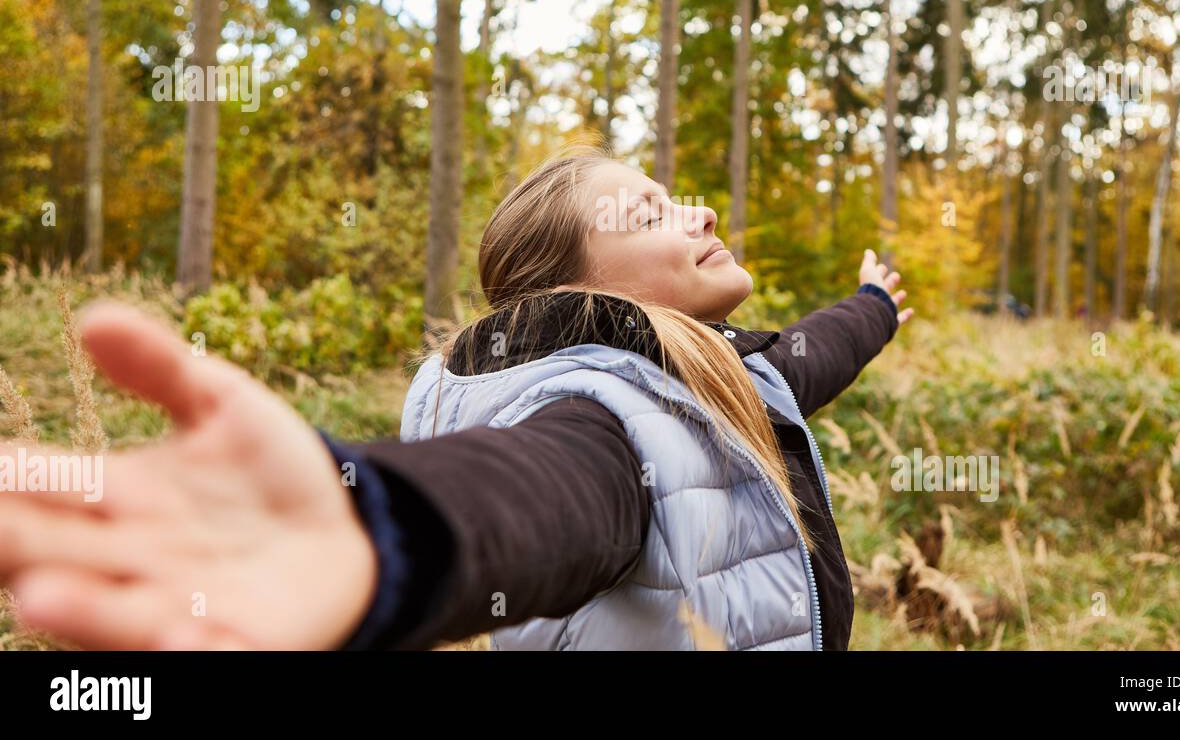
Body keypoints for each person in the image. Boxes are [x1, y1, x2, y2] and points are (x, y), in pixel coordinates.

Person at [0, 146, 911, 651]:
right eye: (648, 212)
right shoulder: (601, 419)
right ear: (575, 286)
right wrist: (378, 526)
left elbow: (808, 357)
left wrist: (873, 306)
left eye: (679, 198)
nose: (700, 214)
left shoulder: (719, 373)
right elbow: (534, 492)